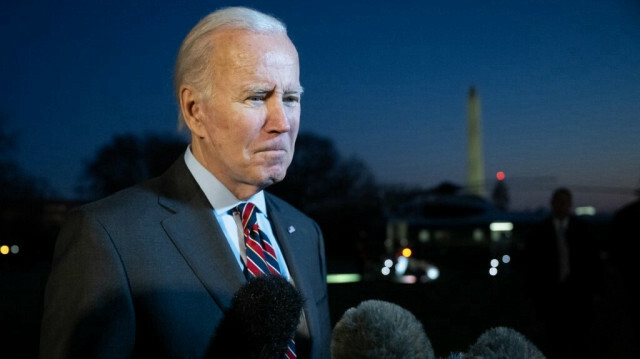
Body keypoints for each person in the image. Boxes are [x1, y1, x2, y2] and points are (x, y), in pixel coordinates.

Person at [39, 7, 331, 359]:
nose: (282, 122)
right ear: (195, 110)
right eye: (256, 97)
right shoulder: (108, 237)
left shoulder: (306, 232)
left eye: (290, 98)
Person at [522, 187, 602, 359]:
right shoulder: (539, 232)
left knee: (581, 341)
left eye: (565, 202)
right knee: (555, 341)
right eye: (558, 201)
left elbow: (593, 263)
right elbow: (531, 266)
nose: (562, 205)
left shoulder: (584, 230)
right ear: (552, 203)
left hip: (579, 295)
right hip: (551, 296)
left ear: (570, 205)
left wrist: (595, 291)